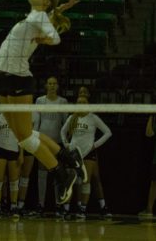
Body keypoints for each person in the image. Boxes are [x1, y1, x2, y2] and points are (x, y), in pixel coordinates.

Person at [0, 0, 84, 204]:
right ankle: (67, 156)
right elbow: (49, 16)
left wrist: (46, 39)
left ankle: (61, 173)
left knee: (24, 138)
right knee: (23, 137)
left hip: (18, 78)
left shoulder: (39, 17)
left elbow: (55, 38)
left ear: (46, 2)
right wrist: (62, 8)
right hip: (2, 77)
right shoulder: (36, 15)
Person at [60, 91, 113, 219]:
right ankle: (66, 209)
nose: (81, 104)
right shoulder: (72, 117)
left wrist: (95, 145)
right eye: (79, 102)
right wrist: (66, 144)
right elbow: (62, 131)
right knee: (70, 180)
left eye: (84, 102)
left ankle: (82, 210)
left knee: (86, 181)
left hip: (88, 152)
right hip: (74, 153)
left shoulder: (93, 118)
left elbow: (108, 132)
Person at [33, 76, 69, 216]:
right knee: (41, 173)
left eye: (54, 83)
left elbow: (65, 124)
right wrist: (35, 139)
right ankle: (41, 204)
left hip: (56, 143)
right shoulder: (39, 100)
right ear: (46, 86)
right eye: (50, 83)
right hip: (42, 142)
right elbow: (36, 121)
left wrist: (65, 142)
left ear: (58, 86)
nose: (52, 86)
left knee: (57, 173)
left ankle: (58, 204)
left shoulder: (63, 102)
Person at [0, 112, 22, 218]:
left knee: (14, 181)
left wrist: (21, 154)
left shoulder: (17, 119)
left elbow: (21, 138)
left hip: (14, 151)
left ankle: (14, 207)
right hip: (0, 150)